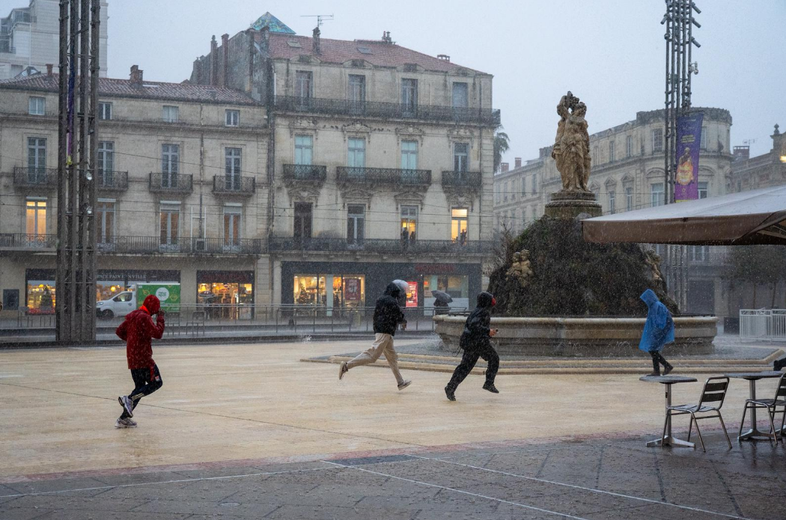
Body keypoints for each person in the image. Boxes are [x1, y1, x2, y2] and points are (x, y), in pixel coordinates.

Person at [339, 282, 411, 390]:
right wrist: (403, 321)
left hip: (381, 329)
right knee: (372, 355)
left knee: (392, 358)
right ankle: (346, 366)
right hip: (385, 331)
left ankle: (400, 382)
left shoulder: (381, 299)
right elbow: (398, 315)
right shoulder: (392, 301)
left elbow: (377, 315)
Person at [115, 294, 166, 428]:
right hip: (144, 358)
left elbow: (119, 331)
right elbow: (158, 334)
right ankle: (129, 399)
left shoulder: (133, 315)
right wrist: (160, 318)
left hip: (132, 358)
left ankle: (123, 418)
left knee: (139, 388)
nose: (157, 310)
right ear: (153, 307)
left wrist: (133, 341)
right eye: (157, 307)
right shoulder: (144, 317)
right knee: (156, 383)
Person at [445, 292, 500, 401]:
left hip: (471, 342)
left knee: (465, 367)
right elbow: (475, 326)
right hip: (477, 343)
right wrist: (488, 331)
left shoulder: (476, 311)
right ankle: (489, 383)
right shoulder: (483, 312)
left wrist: (487, 333)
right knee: (494, 359)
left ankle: (450, 387)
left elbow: (472, 327)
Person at [639, 289, 674, 376]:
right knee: (653, 350)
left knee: (652, 350)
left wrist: (657, 331)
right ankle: (658, 369)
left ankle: (665, 366)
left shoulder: (657, 306)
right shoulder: (654, 306)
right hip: (657, 331)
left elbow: (660, 321)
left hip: (659, 331)